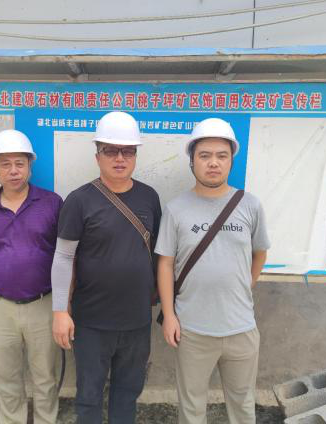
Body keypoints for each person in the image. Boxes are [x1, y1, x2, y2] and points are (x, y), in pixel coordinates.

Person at [155, 118, 270, 424]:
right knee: (192, 408)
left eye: (222, 155)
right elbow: (165, 263)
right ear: (192, 161)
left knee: (243, 406)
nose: (213, 163)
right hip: (192, 330)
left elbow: (260, 252)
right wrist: (170, 315)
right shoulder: (176, 208)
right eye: (205, 155)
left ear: (231, 160)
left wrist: (245, 285)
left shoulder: (250, 205)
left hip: (241, 328)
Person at [51, 111, 161, 424]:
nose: (120, 158)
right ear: (97, 155)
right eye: (110, 151)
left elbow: (158, 256)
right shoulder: (79, 200)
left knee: (128, 393)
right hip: (91, 321)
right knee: (88, 397)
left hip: (137, 320)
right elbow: (63, 257)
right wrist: (60, 312)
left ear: (136, 155)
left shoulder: (149, 197)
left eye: (128, 151)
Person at [0, 129, 62, 424]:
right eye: (5, 164)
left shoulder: (52, 203)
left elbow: (67, 254)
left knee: (45, 376)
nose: (13, 170)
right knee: (6, 376)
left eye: (20, 163)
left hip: (43, 303)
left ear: (30, 166)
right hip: (0, 306)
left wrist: (65, 301)